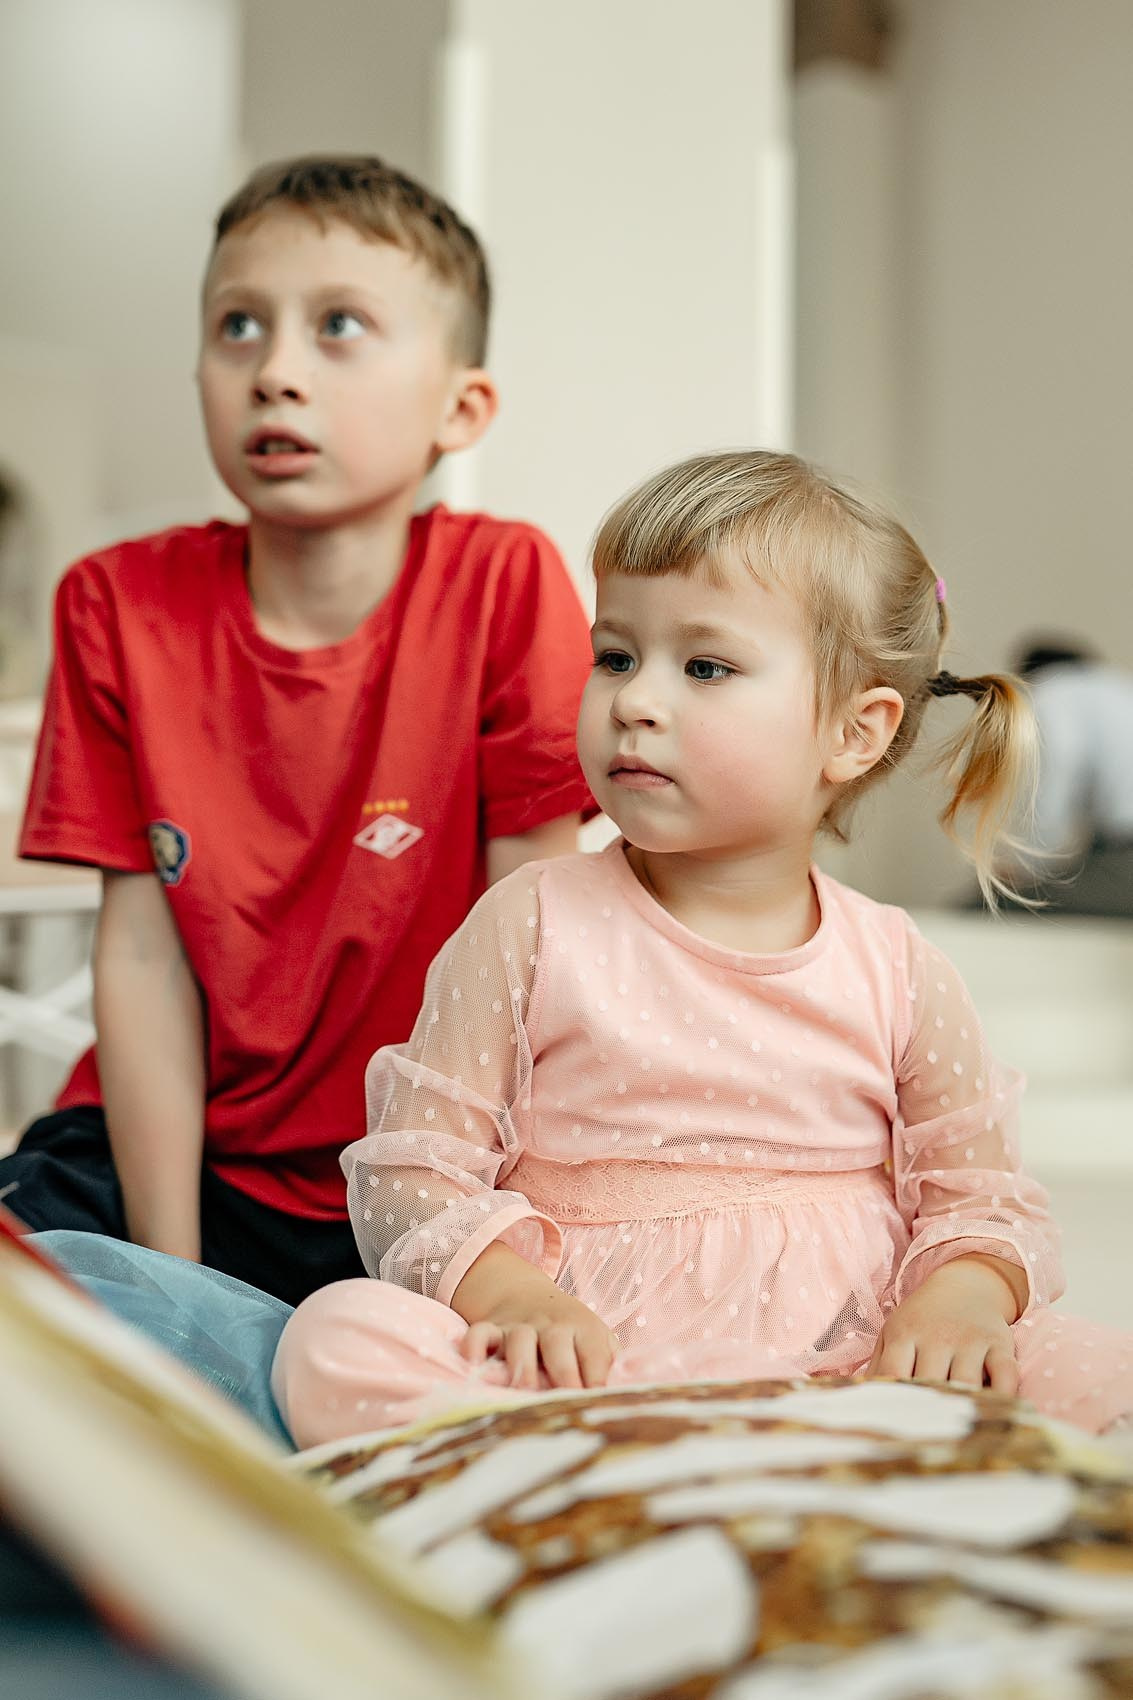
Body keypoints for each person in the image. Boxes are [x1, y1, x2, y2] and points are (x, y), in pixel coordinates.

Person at [272, 450, 1133, 1447]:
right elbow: (415, 1166)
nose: (635, 699)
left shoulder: (896, 966)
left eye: (704, 666)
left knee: (1096, 1373)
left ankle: (810, 1467)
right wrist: (507, 1293)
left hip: (851, 1360)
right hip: (588, 1369)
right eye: (614, 655)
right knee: (336, 1336)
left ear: (854, 733)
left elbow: (977, 1191)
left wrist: (961, 1298)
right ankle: (608, 1475)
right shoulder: (531, 921)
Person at [1, 156, 595, 1307]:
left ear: (458, 407)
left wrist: (478, 1219)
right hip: (156, 1152)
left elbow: (537, 934)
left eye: (337, 327)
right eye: (237, 327)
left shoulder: (503, 582)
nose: (273, 372)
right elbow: (139, 957)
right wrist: (171, 1278)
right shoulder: (113, 603)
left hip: (420, 1165)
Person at [1003, 638, 1133, 917]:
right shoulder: (1119, 686)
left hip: (1123, 852)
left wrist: (1025, 866)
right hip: (1115, 847)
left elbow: (1056, 778)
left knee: (993, 905)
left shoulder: (1051, 690)